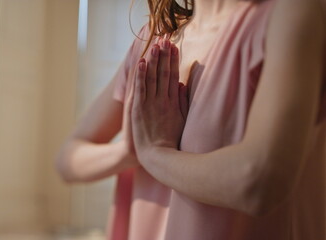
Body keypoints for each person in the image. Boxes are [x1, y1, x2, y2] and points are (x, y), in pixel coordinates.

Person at [56, 0, 326, 239]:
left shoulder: (290, 14)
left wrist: (154, 153)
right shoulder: (149, 42)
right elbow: (67, 159)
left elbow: (258, 182)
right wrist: (128, 151)